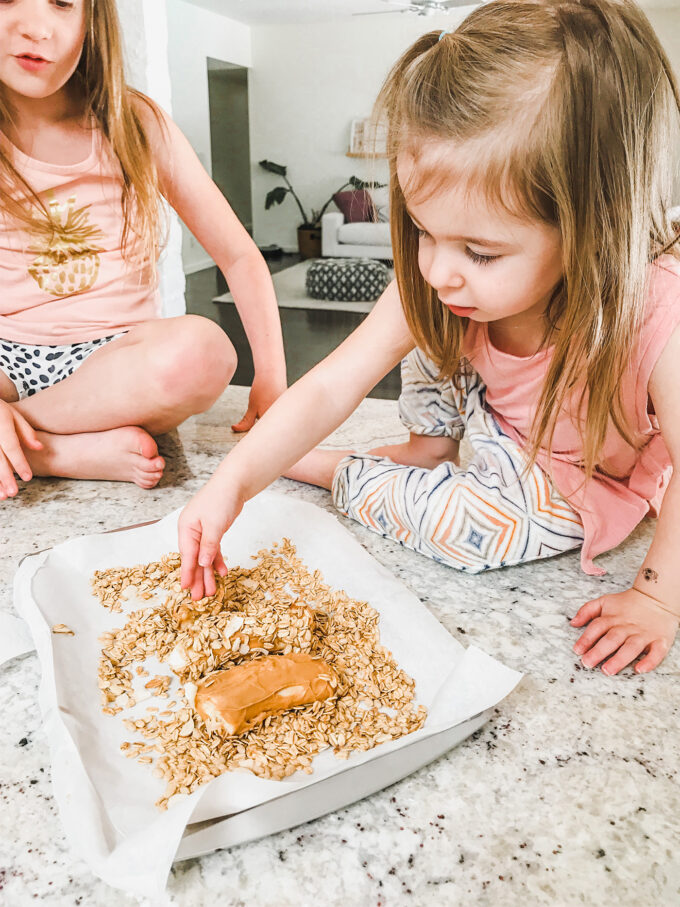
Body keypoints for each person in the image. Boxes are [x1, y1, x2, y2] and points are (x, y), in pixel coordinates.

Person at [178, 0, 680, 676]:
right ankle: (424, 449)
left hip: (578, 478)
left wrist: (658, 599)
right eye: (422, 229)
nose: (440, 267)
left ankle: (333, 468)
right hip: (494, 426)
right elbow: (332, 383)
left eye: (480, 250)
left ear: (593, 227)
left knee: (469, 531)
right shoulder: (444, 281)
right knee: (426, 310)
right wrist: (232, 484)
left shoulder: (653, 309)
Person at [0, 0, 286, 495]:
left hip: (111, 367)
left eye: (63, 3)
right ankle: (58, 452)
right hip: (6, 358)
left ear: (93, 20)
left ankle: (20, 435)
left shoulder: (136, 122)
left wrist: (272, 377)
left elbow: (238, 255)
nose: (36, 28)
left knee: (205, 353)